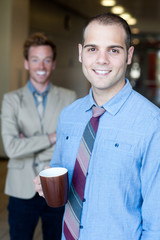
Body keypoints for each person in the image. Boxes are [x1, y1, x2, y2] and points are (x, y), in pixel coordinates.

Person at [34, 13, 160, 239]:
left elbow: (157, 222)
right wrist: (46, 185)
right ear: (81, 53)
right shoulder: (69, 116)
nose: (102, 60)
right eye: (93, 49)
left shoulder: (152, 123)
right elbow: (61, 172)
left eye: (113, 50)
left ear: (129, 55)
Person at [1, 32, 77, 240]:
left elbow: (71, 142)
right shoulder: (11, 100)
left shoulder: (69, 97)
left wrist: (28, 142)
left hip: (57, 185)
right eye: (35, 60)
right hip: (21, 187)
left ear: (53, 64)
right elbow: (12, 148)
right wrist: (53, 137)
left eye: (47, 60)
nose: (41, 66)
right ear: (26, 63)